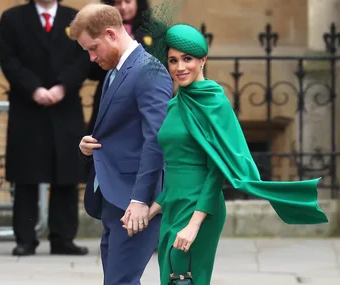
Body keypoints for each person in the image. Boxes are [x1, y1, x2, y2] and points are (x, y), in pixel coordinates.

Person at [122, 24, 328, 285]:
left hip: (201, 208)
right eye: (173, 61)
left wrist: (194, 224)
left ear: (203, 60)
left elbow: (214, 170)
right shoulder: (175, 104)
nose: (179, 67)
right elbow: (177, 169)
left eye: (188, 59)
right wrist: (149, 211)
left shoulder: (214, 101)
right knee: (170, 277)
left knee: (185, 278)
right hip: (173, 206)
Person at [69, 3, 172, 285]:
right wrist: (87, 147)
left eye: (93, 48)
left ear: (111, 34)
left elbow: (157, 140)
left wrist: (140, 200)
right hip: (113, 196)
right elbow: (121, 132)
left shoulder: (149, 70)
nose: (91, 58)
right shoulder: (117, 69)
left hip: (134, 199)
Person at [0, 0, 91, 256]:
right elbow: (9, 59)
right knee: (26, 174)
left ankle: (63, 238)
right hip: (28, 105)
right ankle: (25, 239)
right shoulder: (12, 18)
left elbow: (85, 57)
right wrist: (35, 89)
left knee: (66, 174)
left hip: (66, 104)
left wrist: (62, 86)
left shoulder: (76, 17)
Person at [86, 0, 153, 135]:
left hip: (143, 99)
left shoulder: (154, 30)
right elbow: (90, 70)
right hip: (109, 98)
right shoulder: (97, 31)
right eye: (117, 2)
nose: (123, 7)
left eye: (128, 2)